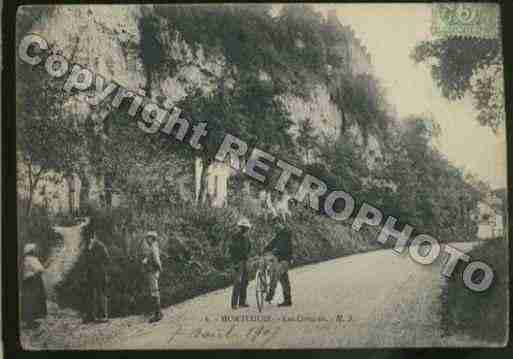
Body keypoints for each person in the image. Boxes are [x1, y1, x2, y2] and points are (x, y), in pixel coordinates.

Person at [83, 225, 111, 324]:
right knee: (91, 295)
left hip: (100, 274)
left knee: (101, 295)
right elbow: (86, 261)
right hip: (91, 275)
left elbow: (107, 259)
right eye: (88, 237)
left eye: (91, 237)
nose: (90, 239)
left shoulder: (100, 246)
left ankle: (104, 316)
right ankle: (91, 316)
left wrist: (98, 264)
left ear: (95, 236)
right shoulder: (88, 247)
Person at [264, 216, 293, 307]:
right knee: (284, 280)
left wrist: (275, 251)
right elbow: (272, 243)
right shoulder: (279, 234)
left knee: (276, 274)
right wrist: (265, 249)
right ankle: (287, 300)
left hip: (285, 259)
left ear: (281, 223)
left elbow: (283, 247)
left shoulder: (286, 233)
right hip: (280, 259)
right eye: (274, 225)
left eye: (277, 224)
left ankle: (270, 294)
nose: (276, 226)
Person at [21, 243, 48, 329]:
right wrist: (45, 266)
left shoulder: (26, 259)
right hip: (33, 281)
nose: (36, 251)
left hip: (28, 281)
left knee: (28, 300)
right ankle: (31, 322)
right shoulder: (32, 259)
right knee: (33, 299)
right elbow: (40, 269)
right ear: (32, 251)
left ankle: (30, 320)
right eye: (35, 250)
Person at [140, 231, 163, 323]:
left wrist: (159, 268)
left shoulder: (153, 247)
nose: (147, 239)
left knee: (154, 292)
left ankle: (158, 314)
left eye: (149, 237)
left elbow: (156, 260)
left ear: (152, 238)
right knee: (154, 291)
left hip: (152, 271)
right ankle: (158, 312)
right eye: (147, 238)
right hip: (152, 270)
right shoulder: (152, 247)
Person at [229, 218, 252, 309]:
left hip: (245, 261)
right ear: (241, 227)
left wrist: (247, 256)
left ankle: (242, 302)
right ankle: (234, 304)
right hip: (238, 261)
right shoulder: (235, 237)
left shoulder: (246, 238)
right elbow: (232, 249)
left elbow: (249, 247)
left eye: (246, 228)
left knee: (245, 281)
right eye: (243, 227)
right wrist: (235, 262)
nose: (245, 229)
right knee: (237, 282)